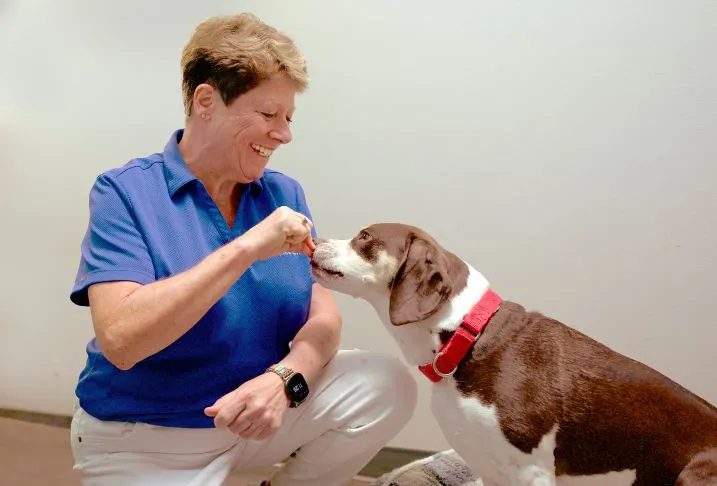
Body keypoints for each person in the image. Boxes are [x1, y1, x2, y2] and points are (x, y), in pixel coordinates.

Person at [68, 12, 417, 486]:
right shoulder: (124, 193)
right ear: (206, 101)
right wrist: (247, 248)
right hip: (145, 438)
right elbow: (123, 342)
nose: (284, 134)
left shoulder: (283, 194)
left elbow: (324, 319)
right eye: (268, 114)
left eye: (288, 118)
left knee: (386, 383)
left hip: (255, 419)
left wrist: (285, 380)